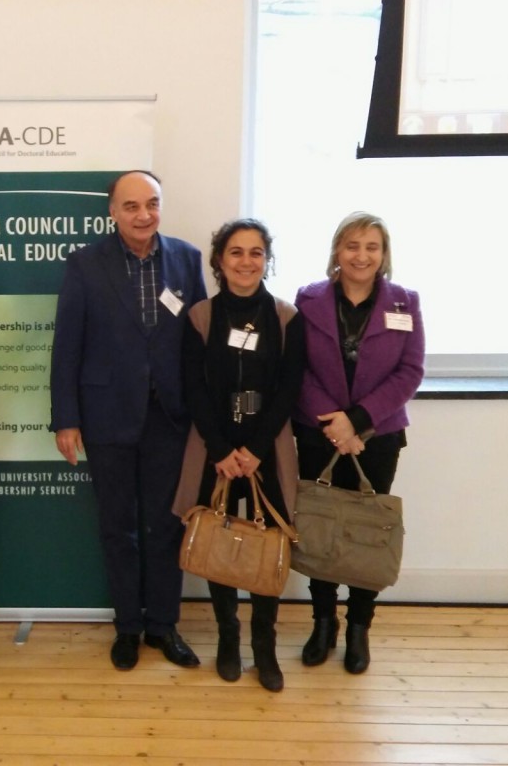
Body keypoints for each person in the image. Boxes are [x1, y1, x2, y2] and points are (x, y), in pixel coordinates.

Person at [50, 170, 208, 671]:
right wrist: (65, 419)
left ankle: (163, 625)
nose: (144, 215)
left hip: (170, 417)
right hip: (107, 416)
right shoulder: (85, 263)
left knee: (167, 525)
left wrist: (205, 413)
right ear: (113, 212)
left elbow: (199, 340)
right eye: (132, 206)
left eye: (152, 203)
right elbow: (67, 346)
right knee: (118, 528)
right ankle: (127, 627)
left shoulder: (186, 259)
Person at [173, 219, 304, 691]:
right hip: (216, 451)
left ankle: (264, 647)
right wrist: (224, 450)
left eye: (255, 252)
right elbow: (193, 388)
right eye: (236, 252)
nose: (246, 261)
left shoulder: (287, 318)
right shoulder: (200, 317)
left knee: (270, 543)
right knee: (218, 539)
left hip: (268, 451)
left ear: (267, 260)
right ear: (219, 261)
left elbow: (289, 389)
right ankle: (228, 639)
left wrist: (255, 449)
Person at [293, 211, 424, 674]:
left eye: (371, 246)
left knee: (369, 532)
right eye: (352, 245)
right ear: (337, 251)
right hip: (318, 431)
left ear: (384, 254)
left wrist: (358, 421)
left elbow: (410, 372)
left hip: (378, 436)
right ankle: (322, 622)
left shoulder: (405, 303)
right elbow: (297, 369)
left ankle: (358, 627)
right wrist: (335, 424)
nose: (361, 255)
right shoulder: (308, 300)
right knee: (320, 526)